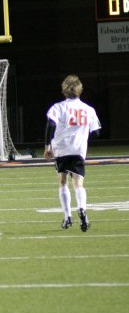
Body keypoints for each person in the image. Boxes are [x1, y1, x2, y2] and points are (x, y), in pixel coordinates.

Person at [44, 75, 102, 231]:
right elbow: (96, 132)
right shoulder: (89, 109)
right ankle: (82, 209)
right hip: (78, 149)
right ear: (80, 90)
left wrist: (47, 146)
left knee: (63, 182)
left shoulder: (58, 107)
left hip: (61, 149)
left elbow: (50, 125)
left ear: (64, 90)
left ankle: (67, 216)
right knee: (78, 183)